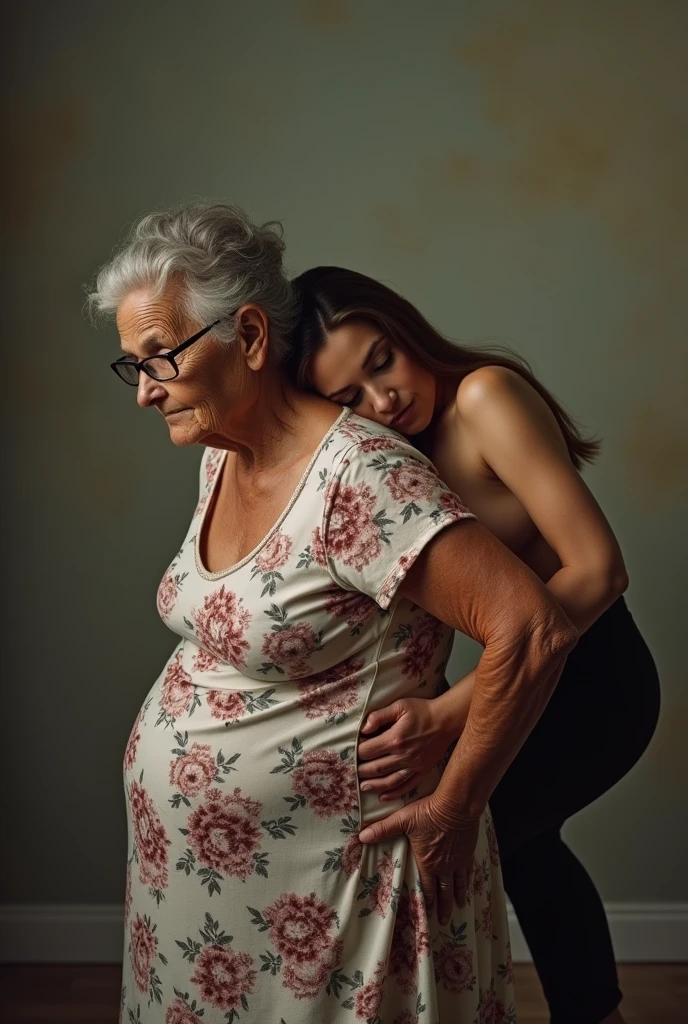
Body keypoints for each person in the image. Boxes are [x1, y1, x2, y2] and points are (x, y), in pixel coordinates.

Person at [88, 203, 578, 1024]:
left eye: (159, 358)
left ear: (247, 338)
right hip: (202, 900)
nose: (144, 393)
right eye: (130, 365)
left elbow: (532, 628)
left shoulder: (362, 474)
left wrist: (456, 809)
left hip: (340, 900)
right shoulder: (220, 454)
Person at [287, 266, 661, 1024]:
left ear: (407, 331)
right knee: (524, 849)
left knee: (489, 840)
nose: (384, 400)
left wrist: (453, 712)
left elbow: (601, 569)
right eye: (349, 397)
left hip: (594, 684)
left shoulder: (484, 397)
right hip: (522, 677)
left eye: (382, 361)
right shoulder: (389, 451)